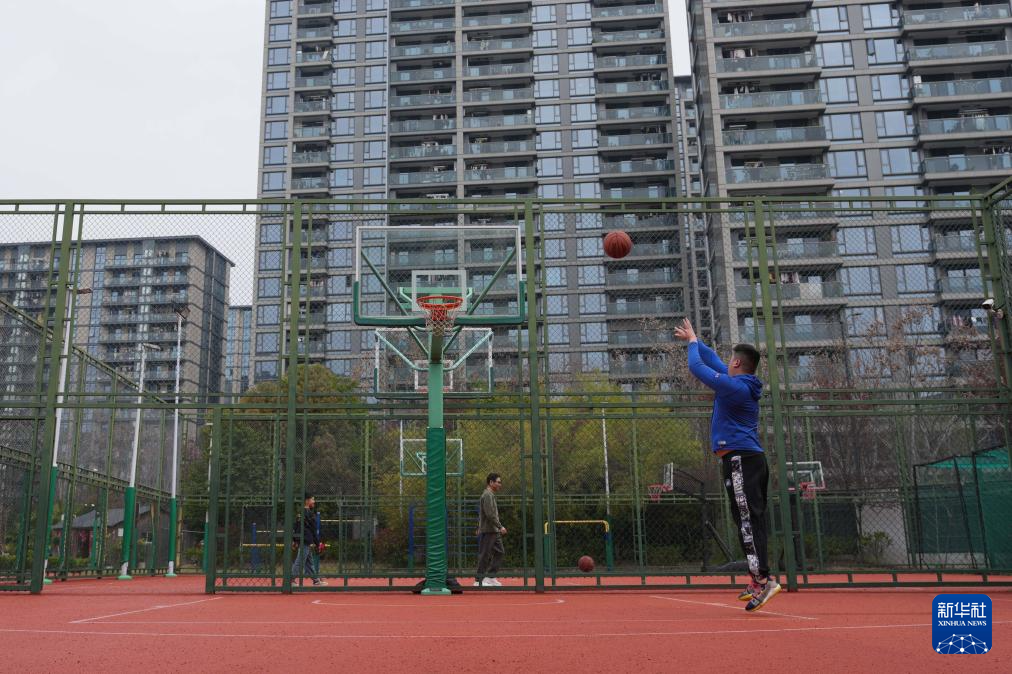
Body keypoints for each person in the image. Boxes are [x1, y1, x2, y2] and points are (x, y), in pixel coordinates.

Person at [673, 318, 781, 612]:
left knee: (748, 521)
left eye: (730, 360)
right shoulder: (739, 383)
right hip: (743, 459)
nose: (726, 363)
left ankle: (763, 580)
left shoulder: (736, 388)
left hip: (741, 459)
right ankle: (758, 578)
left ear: (737, 363)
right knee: (746, 519)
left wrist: (692, 344)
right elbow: (711, 360)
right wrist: (695, 339)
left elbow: (697, 367)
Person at [475, 473, 506, 587]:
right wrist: (500, 526)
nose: (500, 484)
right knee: (485, 555)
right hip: (489, 530)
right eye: (498, 482)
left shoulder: (490, 495)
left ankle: (490, 577)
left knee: (500, 552)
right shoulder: (487, 495)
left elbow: (483, 514)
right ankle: (478, 580)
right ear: (491, 482)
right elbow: (490, 514)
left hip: (494, 530)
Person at [293, 495, 326, 586]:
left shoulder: (300, 512)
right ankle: (290, 580)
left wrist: (294, 540)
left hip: (303, 539)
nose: (314, 501)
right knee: (300, 561)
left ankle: (315, 580)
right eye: (312, 499)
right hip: (305, 540)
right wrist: (318, 542)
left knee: (309, 561)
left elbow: (296, 527)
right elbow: (313, 529)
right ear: (307, 501)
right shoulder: (309, 513)